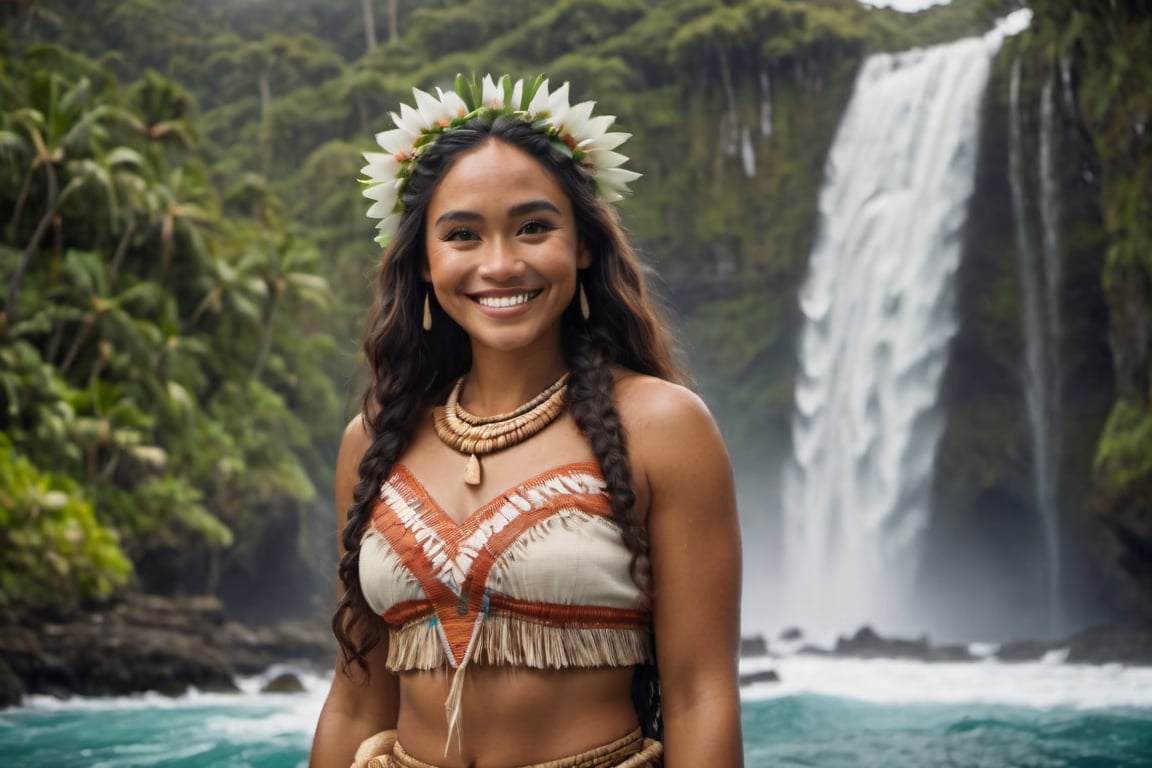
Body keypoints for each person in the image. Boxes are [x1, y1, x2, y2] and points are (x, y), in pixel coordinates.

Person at [309, 74, 743, 768]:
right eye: (462, 235)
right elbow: (358, 700)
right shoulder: (371, 443)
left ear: (584, 245)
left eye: (534, 227)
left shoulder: (664, 427)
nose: (501, 264)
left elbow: (700, 694)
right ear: (424, 261)